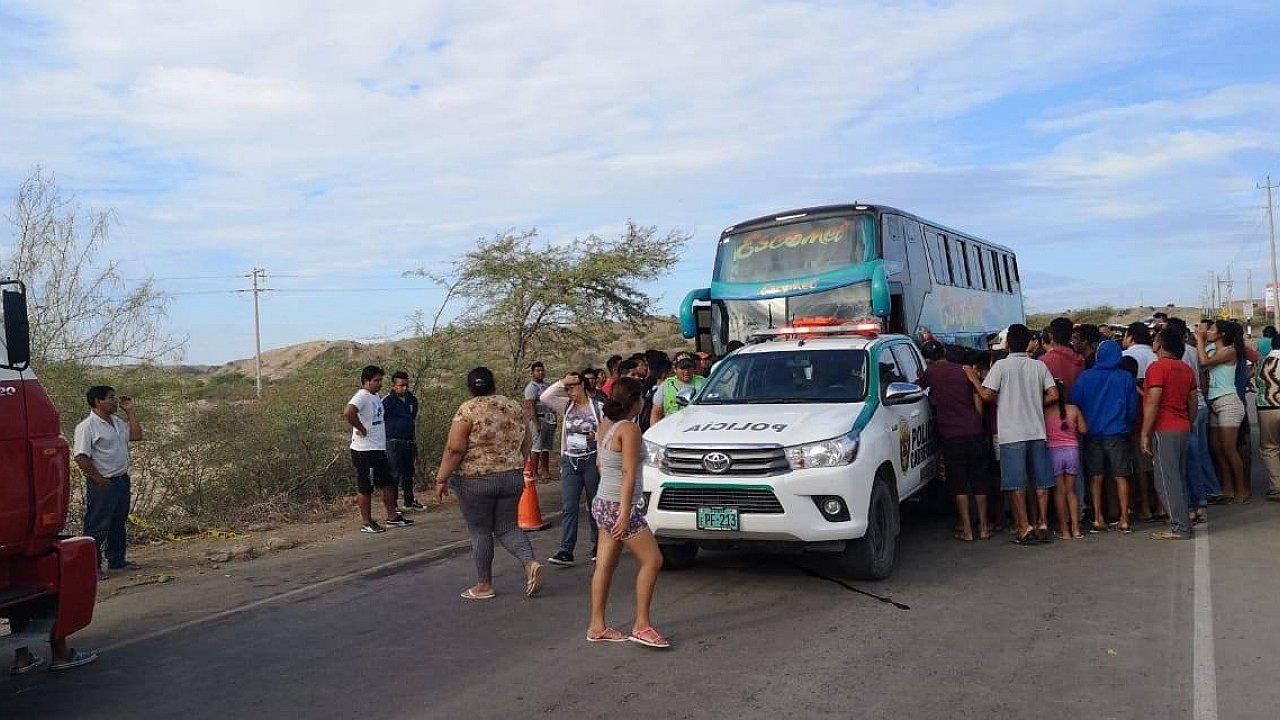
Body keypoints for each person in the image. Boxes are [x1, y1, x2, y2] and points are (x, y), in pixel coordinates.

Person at [436, 367, 544, 600]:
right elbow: (527, 440)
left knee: (480, 531)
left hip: (476, 480)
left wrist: (441, 477)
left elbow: (455, 449)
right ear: (493, 383)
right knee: (507, 527)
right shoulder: (513, 406)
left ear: (470, 387)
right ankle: (530, 562)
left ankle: (484, 585)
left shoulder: (468, 409)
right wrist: (518, 463)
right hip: (511, 477)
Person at [587, 377, 668, 648]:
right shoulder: (630, 430)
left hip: (602, 501)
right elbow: (629, 473)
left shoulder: (604, 427)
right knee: (653, 560)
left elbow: (601, 463)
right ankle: (642, 625)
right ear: (635, 402)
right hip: (618, 505)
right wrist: (625, 512)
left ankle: (597, 625)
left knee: (605, 564)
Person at [969, 324, 1059, 545]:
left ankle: (1024, 527)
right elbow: (1054, 393)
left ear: (1008, 344)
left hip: (1012, 434)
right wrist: (1035, 403)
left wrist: (973, 380)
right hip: (1037, 431)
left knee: (1015, 484)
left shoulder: (1000, 366)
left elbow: (988, 395)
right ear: (1029, 342)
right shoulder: (1038, 366)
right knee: (1041, 482)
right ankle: (1043, 523)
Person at [920, 340, 991, 541]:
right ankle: (984, 528)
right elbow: (978, 400)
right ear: (944, 352)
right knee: (979, 481)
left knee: (958, 483)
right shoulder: (964, 370)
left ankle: (967, 530)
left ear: (928, 359)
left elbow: (918, 388)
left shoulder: (931, 373)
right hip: (974, 431)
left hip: (951, 435)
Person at [1071, 340, 1140, 533]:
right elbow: (1133, 406)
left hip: (1092, 434)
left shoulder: (1085, 377)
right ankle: (1125, 518)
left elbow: (1074, 401)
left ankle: (1098, 518)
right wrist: (1126, 423)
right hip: (1118, 432)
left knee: (1096, 477)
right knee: (1121, 476)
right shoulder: (1125, 377)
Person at [73, 385, 143, 573]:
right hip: (103, 483)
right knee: (97, 525)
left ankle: (117, 560)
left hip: (121, 480)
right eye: (111, 398)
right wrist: (98, 479)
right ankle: (91, 568)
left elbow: (136, 436)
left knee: (118, 522)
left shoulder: (117, 422)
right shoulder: (87, 427)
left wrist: (130, 412)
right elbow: (81, 456)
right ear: (98, 402)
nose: (115, 401)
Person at [1140, 328, 1198, 540]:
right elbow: (1193, 401)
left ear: (1161, 345)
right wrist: (1188, 423)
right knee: (1178, 478)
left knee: (1165, 480)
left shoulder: (1157, 368)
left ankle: (1180, 526)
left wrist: (1145, 433)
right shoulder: (1185, 369)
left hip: (1164, 429)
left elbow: (1153, 402)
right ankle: (1184, 521)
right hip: (1182, 427)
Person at [541, 372, 604, 567]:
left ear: (583, 386)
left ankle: (598, 545)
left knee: (594, 505)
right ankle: (566, 549)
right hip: (571, 461)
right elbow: (544, 397)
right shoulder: (566, 406)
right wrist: (561, 381)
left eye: (574, 387)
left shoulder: (598, 408)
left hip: (592, 460)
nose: (571, 391)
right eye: (568, 388)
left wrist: (596, 436)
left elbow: (608, 431)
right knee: (569, 507)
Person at [344, 365, 413, 534]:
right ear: (366, 381)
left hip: (378, 448)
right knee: (365, 486)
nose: (379, 384)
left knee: (387, 483)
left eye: (380, 380)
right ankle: (367, 522)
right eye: (376, 381)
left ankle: (392, 517)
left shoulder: (375, 397)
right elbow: (348, 412)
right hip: (364, 450)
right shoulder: (361, 396)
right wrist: (360, 427)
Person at [1194, 319, 1250, 503]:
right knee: (1217, 448)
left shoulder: (1230, 351)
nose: (1208, 332)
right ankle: (1227, 487)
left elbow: (1204, 361)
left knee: (1229, 448)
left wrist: (1200, 341)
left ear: (1222, 334)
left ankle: (1241, 488)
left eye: (1212, 330)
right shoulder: (1213, 349)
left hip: (1229, 401)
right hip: (1214, 402)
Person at [1045, 379, 1087, 539]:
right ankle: (1076, 528)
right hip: (1072, 451)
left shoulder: (1045, 412)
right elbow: (1083, 429)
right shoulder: (1074, 409)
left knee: (1059, 492)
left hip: (1053, 452)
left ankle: (1064, 530)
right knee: (1071, 492)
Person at [383, 370, 422, 510]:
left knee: (408, 473)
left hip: (409, 441)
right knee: (394, 474)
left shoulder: (412, 399)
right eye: (401, 385)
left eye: (406, 385)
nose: (404, 388)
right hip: (393, 442)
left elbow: (413, 417)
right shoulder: (387, 401)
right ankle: (393, 506)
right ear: (394, 385)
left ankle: (409, 501)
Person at [651, 357, 708, 427]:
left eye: (689, 367)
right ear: (675, 369)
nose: (686, 371)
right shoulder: (666, 385)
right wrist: (655, 432)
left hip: (697, 426)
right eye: (682, 368)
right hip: (672, 427)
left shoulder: (703, 382)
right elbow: (656, 412)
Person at [524, 362, 556, 483]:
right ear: (532, 373)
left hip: (549, 419)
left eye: (542, 370)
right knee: (536, 447)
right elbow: (531, 406)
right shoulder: (531, 388)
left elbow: (552, 403)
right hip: (539, 419)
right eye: (538, 371)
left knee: (546, 448)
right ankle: (534, 472)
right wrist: (536, 423)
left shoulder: (547, 386)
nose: (540, 373)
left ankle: (545, 471)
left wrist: (554, 419)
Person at [1256, 341, 1280, 502]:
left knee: (1270, 447)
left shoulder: (1261, 362)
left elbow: (1257, 384)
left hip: (1266, 408)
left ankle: (1277, 487)